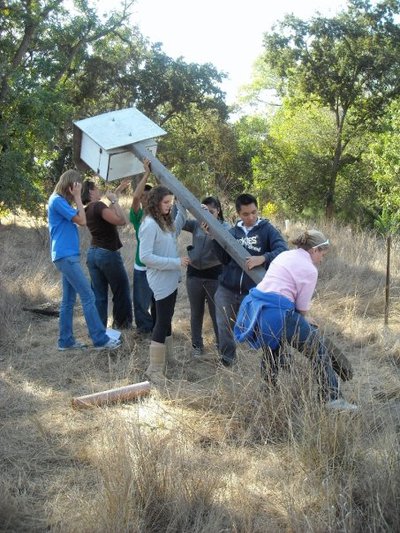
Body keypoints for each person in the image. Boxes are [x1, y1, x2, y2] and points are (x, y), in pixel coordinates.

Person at [234, 229, 358, 411]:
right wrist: (306, 319)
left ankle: (268, 390)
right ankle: (332, 398)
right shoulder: (309, 269)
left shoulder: (285, 255)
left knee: (272, 352)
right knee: (319, 352)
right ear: (314, 250)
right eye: (322, 253)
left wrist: (304, 317)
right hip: (278, 313)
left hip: (257, 309)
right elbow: (301, 308)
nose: (322, 258)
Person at [47, 170, 121, 351]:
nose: (78, 190)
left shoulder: (60, 201)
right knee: (89, 296)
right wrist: (79, 197)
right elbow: (82, 220)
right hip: (65, 256)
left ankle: (65, 341)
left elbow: (80, 217)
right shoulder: (57, 200)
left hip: (66, 255)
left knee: (68, 301)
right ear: (70, 185)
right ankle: (100, 340)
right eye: (77, 186)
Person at [213, 193, 288, 367]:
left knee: (266, 326)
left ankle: (278, 360)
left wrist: (263, 257)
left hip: (255, 291)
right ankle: (227, 361)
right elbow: (224, 259)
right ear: (238, 214)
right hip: (227, 288)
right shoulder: (232, 232)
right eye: (246, 214)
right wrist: (214, 239)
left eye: (254, 212)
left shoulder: (267, 230)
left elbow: (283, 250)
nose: (251, 217)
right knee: (223, 325)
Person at [139, 186, 189, 381]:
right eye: (166, 202)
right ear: (155, 202)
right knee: (161, 321)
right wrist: (176, 263)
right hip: (160, 280)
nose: (169, 206)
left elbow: (178, 223)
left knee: (166, 318)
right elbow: (145, 257)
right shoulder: (150, 224)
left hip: (170, 278)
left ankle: (168, 359)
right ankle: (154, 370)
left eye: (171, 202)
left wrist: (184, 205)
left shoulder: (164, 222)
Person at [81, 179, 133, 329]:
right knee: (121, 290)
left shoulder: (88, 209)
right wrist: (115, 200)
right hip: (107, 253)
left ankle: (98, 330)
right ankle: (122, 326)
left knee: (99, 295)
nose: (99, 190)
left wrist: (118, 191)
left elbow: (107, 212)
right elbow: (122, 220)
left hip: (93, 254)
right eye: (96, 188)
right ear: (90, 191)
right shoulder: (98, 206)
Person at [183, 197, 230, 357]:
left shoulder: (225, 227)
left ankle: (221, 347)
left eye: (212, 212)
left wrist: (212, 233)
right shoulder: (196, 224)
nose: (208, 215)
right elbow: (179, 221)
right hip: (194, 273)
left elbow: (226, 246)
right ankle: (197, 346)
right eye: (205, 212)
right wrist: (180, 203)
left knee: (217, 313)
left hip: (214, 275)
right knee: (196, 312)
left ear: (218, 211)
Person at [129, 159, 155, 334]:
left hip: (158, 265)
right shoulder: (138, 216)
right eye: (144, 197)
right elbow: (136, 197)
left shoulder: (160, 215)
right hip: (142, 266)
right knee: (140, 301)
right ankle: (144, 331)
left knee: (158, 300)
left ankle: (158, 328)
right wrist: (146, 174)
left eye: (149, 197)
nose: (145, 199)